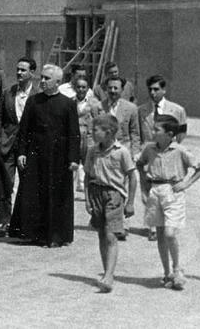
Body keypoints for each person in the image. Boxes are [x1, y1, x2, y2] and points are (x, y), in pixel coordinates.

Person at [9, 64, 81, 247]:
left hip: (59, 158)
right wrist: (21, 153)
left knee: (57, 196)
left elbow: (74, 134)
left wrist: (73, 159)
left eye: (47, 78)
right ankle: (34, 233)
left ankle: (56, 235)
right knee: (34, 194)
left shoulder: (68, 104)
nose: (42, 81)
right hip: (36, 155)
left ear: (58, 81)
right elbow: (24, 130)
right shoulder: (33, 101)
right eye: (41, 77)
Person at [138, 115, 200, 290]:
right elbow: (140, 164)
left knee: (170, 233)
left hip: (173, 192)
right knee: (160, 234)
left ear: (169, 134)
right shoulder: (149, 149)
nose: (152, 132)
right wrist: (144, 186)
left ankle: (177, 268)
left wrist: (186, 183)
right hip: (155, 191)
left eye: (156, 130)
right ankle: (166, 272)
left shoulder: (180, 150)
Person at [83, 113, 138, 293]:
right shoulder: (92, 151)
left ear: (108, 132)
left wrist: (130, 202)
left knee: (111, 235)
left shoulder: (121, 151)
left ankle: (109, 275)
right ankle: (106, 271)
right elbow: (87, 176)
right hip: (96, 192)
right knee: (101, 234)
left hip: (114, 195)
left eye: (95, 130)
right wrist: (87, 199)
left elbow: (132, 176)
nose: (92, 133)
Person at [0, 57, 36, 233]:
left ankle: (25, 223)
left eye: (23, 70)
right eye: (18, 69)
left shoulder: (38, 96)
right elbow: (0, 119)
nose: (19, 73)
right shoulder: (8, 93)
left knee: (29, 184)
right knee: (6, 182)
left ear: (32, 73)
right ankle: (5, 222)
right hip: (7, 143)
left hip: (29, 145)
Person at [72, 76, 102, 192]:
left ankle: (89, 190)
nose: (81, 89)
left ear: (88, 88)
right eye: (78, 87)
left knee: (89, 163)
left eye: (83, 87)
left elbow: (99, 121)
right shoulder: (70, 102)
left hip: (89, 137)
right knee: (73, 163)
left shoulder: (95, 104)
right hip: (75, 136)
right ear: (75, 88)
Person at [138, 74, 187, 145]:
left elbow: (182, 135)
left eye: (156, 89)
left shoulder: (178, 111)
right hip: (148, 151)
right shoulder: (140, 111)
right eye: (150, 89)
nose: (152, 93)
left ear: (164, 90)